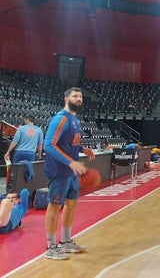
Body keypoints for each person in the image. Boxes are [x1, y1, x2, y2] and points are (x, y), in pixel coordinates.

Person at [43, 87, 95, 260]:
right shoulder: (60, 118)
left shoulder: (74, 119)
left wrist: (83, 149)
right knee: (55, 205)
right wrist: (71, 161)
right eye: (75, 96)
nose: (79, 99)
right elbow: (49, 145)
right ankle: (50, 246)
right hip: (59, 171)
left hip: (71, 172)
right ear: (66, 99)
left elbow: (69, 142)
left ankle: (65, 241)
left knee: (71, 204)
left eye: (80, 96)